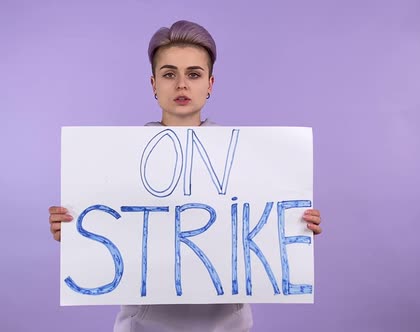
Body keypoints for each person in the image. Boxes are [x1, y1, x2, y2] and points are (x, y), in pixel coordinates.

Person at [48, 20, 323, 332]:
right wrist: (72, 228)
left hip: (228, 326)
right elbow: (106, 234)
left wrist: (294, 228)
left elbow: (261, 230)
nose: (181, 85)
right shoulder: (116, 159)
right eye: (169, 74)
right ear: (153, 84)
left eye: (193, 74)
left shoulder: (250, 159)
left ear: (210, 84)